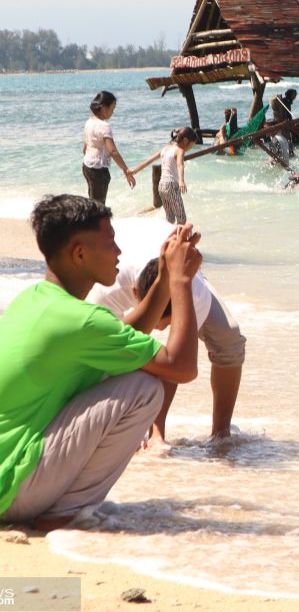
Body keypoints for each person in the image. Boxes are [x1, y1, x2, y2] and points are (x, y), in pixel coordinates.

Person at [0, 195, 201, 531]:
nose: (119, 252)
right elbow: (182, 367)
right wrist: (182, 282)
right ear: (80, 254)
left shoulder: (36, 299)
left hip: (7, 472)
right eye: (110, 243)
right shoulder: (81, 322)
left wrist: (164, 279)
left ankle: (57, 501)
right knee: (145, 387)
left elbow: (121, 338)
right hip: (13, 490)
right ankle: (65, 511)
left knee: (124, 366)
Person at [86, 218, 246, 448]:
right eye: (158, 322)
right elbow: (98, 348)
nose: (158, 329)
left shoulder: (195, 295)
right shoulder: (110, 287)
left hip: (178, 264)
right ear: (134, 293)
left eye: (166, 322)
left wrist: (157, 435)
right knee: (109, 347)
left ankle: (221, 435)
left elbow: (176, 362)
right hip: (133, 244)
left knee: (229, 337)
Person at [130, 128, 198, 224]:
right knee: (181, 219)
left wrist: (134, 170)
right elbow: (180, 165)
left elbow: (149, 160)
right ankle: (179, 238)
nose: (190, 148)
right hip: (171, 185)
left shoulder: (165, 149)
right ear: (186, 141)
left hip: (161, 186)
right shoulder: (180, 150)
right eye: (191, 145)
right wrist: (181, 181)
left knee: (170, 219)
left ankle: (169, 237)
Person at [81, 91, 136, 204]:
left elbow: (85, 147)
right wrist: (125, 170)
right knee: (99, 205)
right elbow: (112, 151)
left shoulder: (89, 122)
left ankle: (90, 221)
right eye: (112, 108)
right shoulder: (104, 126)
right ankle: (93, 222)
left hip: (87, 166)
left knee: (93, 201)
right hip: (98, 168)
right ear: (104, 108)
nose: (113, 112)